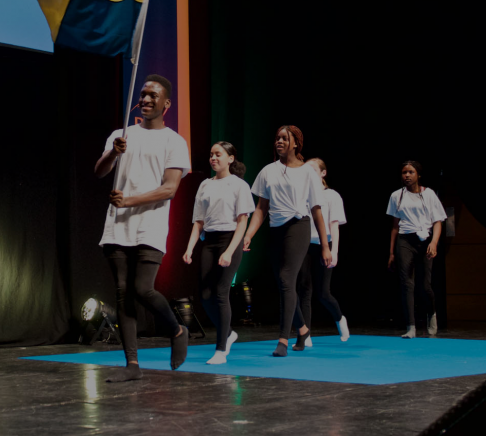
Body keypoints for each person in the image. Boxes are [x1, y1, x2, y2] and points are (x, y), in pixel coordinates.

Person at [94, 74, 191, 381]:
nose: (146, 99)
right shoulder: (121, 134)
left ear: (166, 104)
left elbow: (170, 189)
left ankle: (177, 330)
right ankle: (132, 365)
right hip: (118, 225)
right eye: (143, 94)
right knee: (123, 293)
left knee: (142, 289)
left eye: (153, 96)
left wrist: (129, 201)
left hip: (150, 224)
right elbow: (99, 171)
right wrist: (113, 152)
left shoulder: (174, 141)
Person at [243, 125, 331, 357]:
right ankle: (303, 330)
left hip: (298, 226)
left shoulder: (307, 172)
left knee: (285, 279)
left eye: (284, 138)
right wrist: (249, 234)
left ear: (295, 143)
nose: (279, 142)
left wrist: (325, 246)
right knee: (284, 284)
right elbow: (261, 208)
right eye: (277, 138)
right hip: (276, 230)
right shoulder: (268, 171)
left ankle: (283, 339)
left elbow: (317, 210)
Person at [182, 141, 254, 364]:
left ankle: (221, 350)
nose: (213, 158)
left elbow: (242, 222)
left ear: (230, 159)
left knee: (221, 293)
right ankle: (229, 333)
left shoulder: (239, 185)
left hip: (229, 240)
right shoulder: (205, 185)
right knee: (205, 296)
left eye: (218, 154)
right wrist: (190, 247)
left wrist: (230, 251)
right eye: (211, 154)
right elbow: (198, 221)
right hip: (210, 241)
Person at [387, 160, 445, 338]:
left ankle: (431, 314)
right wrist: (391, 252)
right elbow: (395, 226)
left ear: (418, 175)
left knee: (425, 285)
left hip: (425, 239)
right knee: (407, 283)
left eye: (411, 172)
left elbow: (437, 221)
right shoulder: (396, 196)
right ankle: (411, 327)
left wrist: (434, 243)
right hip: (405, 239)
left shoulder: (429, 194)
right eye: (404, 172)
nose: (407, 175)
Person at [295, 158, 350, 346]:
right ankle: (306, 335)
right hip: (305, 245)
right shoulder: (302, 195)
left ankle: (340, 319)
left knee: (323, 293)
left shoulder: (332, 196)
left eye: (313, 169)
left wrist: (334, 251)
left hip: (324, 244)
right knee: (304, 289)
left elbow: (334, 225)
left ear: (323, 173)